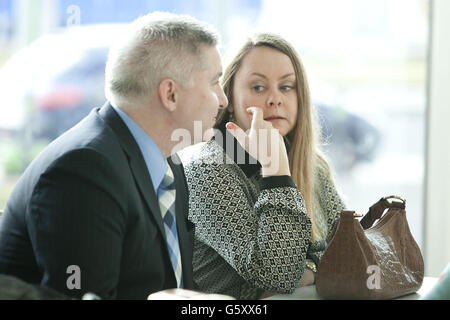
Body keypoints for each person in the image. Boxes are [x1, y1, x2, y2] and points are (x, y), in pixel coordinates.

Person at [0, 12, 228, 299]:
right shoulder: (83, 171)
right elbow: (83, 295)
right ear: (170, 94)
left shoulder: (168, 160)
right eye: (214, 82)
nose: (223, 100)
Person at [183, 32, 346, 299]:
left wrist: (309, 269)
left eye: (286, 87)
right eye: (258, 87)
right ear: (231, 101)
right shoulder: (208, 168)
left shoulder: (310, 163)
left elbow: (350, 249)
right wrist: (276, 170)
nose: (275, 99)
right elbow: (277, 274)